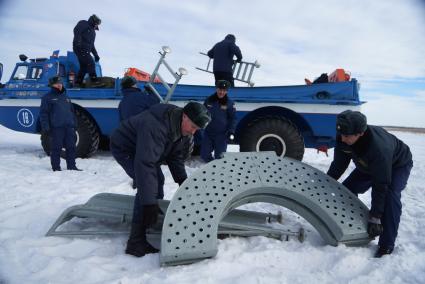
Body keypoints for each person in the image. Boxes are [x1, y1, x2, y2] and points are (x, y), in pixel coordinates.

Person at [110, 102, 211, 257]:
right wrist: (149, 203)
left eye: (197, 129)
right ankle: (136, 242)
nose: (193, 132)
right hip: (126, 148)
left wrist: (183, 182)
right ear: (184, 116)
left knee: (157, 182)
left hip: (144, 149)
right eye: (192, 126)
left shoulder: (181, 128)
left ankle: (150, 218)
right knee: (146, 184)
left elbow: (175, 157)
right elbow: (145, 164)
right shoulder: (156, 126)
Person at [326, 110, 413, 258]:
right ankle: (349, 225)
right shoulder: (344, 135)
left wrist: (375, 217)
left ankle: (386, 245)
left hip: (397, 164)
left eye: (347, 136)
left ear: (360, 133)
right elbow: (339, 164)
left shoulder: (379, 148)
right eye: (341, 134)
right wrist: (326, 183)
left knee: (390, 197)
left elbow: (381, 185)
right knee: (347, 190)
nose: (343, 138)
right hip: (367, 164)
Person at [39, 76, 81, 171]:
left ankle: (72, 166)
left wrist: (74, 124)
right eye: (57, 84)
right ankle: (56, 167)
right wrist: (46, 127)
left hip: (69, 127)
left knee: (71, 147)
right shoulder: (47, 98)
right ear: (52, 85)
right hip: (57, 128)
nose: (59, 85)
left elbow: (71, 111)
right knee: (56, 148)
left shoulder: (66, 97)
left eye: (60, 83)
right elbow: (43, 114)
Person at [201, 80, 236, 162]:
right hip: (208, 133)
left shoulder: (230, 103)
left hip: (222, 135)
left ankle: (217, 170)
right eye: (220, 90)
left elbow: (233, 119)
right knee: (204, 155)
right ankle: (210, 167)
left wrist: (231, 131)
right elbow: (202, 114)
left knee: (220, 157)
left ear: (226, 91)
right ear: (217, 89)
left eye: (224, 90)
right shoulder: (209, 100)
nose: (222, 92)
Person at [72, 14, 102, 87]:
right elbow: (77, 31)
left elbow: (92, 45)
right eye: (97, 23)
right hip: (79, 47)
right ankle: (94, 81)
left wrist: (96, 55)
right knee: (91, 63)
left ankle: (78, 83)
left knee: (84, 67)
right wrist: (78, 42)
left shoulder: (93, 33)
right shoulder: (84, 23)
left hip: (86, 50)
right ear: (94, 21)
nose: (97, 25)